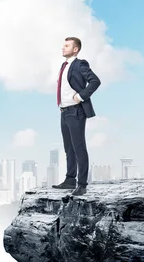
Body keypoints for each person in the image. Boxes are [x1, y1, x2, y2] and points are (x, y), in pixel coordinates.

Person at [52, 37, 101, 196]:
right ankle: (70, 179)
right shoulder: (63, 66)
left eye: (66, 46)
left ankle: (82, 184)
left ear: (75, 49)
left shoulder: (80, 64)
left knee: (79, 147)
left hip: (76, 110)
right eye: (63, 45)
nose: (63, 48)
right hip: (64, 111)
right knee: (68, 148)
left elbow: (95, 81)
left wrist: (81, 96)